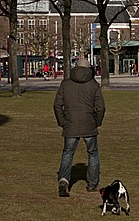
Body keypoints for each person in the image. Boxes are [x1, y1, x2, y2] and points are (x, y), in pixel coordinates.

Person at [53, 58, 105, 197]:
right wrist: (97, 122)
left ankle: (63, 180)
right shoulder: (94, 85)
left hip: (70, 124)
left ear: (75, 67)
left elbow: (57, 105)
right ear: (89, 68)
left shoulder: (65, 84)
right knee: (92, 154)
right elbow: (100, 107)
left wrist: (62, 121)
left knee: (67, 153)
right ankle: (92, 184)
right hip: (89, 123)